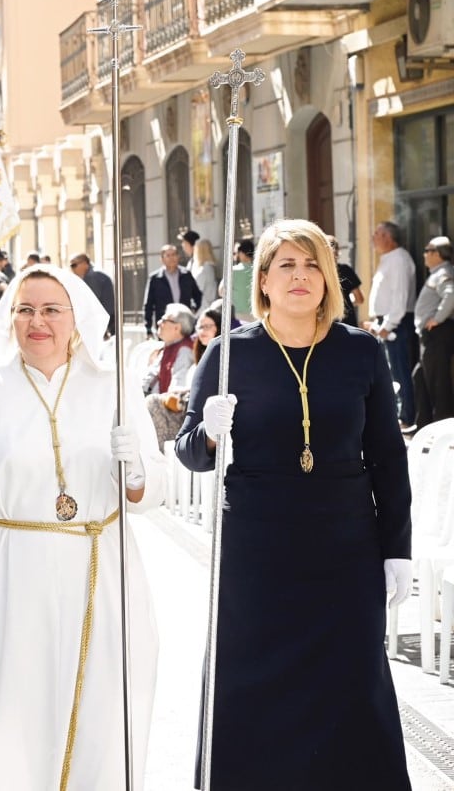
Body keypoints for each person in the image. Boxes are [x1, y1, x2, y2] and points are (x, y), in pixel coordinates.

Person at [176, 219, 411, 790]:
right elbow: (190, 453)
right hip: (258, 554)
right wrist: (208, 433)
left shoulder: (361, 352)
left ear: (328, 279)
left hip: (345, 549)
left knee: (354, 686)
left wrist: (395, 550)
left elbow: (386, 456)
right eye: (286, 265)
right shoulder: (229, 353)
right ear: (262, 282)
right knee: (252, 686)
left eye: (311, 265)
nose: (300, 276)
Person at [0, 262, 165, 790]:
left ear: (76, 318)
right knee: (12, 717)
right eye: (26, 309)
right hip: (11, 579)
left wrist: (139, 471)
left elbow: (150, 496)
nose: (39, 321)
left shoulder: (114, 387)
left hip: (101, 575)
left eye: (52, 309)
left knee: (103, 714)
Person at [366, 221, 418, 429]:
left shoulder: (399, 259)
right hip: (385, 322)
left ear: (388, 237)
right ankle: (398, 414)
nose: (373, 237)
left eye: (377, 233)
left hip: (396, 323)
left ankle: (406, 417)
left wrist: (389, 324)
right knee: (390, 372)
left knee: (399, 371)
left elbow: (400, 296)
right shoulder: (388, 259)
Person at [141, 303, 196, 446]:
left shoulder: (184, 351)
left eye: (164, 320)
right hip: (151, 404)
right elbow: (148, 379)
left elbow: (177, 388)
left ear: (177, 327)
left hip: (171, 414)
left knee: (151, 404)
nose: (159, 322)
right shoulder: (166, 348)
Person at [413, 236, 454, 428]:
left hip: (437, 334)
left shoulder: (443, 272)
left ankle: (442, 429)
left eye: (427, 250)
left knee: (438, 383)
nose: (424, 254)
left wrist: (437, 318)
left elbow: (451, 294)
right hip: (430, 335)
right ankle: (424, 425)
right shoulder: (437, 272)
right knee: (420, 376)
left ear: (437, 254)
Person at [143, 243, 202, 337]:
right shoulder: (155, 279)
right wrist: (148, 329)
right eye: (168, 255)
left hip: (184, 324)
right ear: (162, 259)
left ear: (178, 257)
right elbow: (148, 306)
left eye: (174, 254)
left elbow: (198, 295)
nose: (172, 258)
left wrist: (193, 310)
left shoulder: (186, 275)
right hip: (166, 325)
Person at [69, 252, 116, 337]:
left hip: (103, 325)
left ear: (85, 264)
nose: (72, 269)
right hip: (105, 323)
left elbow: (93, 305)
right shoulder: (92, 276)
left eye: (73, 265)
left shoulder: (92, 277)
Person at [327, 235, 364, 326]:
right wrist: (346, 306)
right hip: (347, 320)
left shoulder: (317, 272)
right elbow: (359, 299)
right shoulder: (346, 270)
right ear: (337, 252)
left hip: (327, 321)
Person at [224, 238, 255, 323]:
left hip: (240, 313)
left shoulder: (233, 271)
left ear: (241, 253)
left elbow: (221, 290)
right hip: (257, 312)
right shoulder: (259, 270)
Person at [191, 238, 218, 316]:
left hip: (202, 308)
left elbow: (196, 289)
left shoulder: (203, 270)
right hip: (208, 304)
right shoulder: (210, 267)